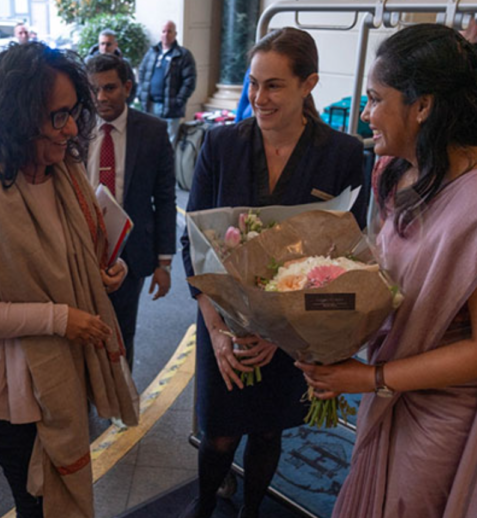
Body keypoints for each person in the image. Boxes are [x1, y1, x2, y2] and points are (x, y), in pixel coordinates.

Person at [297, 24, 477, 518]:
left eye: (375, 99)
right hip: (390, 380)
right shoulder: (395, 170)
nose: (365, 113)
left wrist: (371, 377)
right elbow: (387, 278)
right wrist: (312, 316)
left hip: (441, 411)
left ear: (422, 106)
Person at [0, 42, 139, 518]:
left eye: (73, 113)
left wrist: (108, 270)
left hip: (63, 371)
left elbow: (81, 252)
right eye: (56, 116)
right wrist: (59, 319)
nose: (70, 129)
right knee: (38, 503)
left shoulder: (62, 172)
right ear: (16, 117)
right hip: (10, 395)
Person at [180, 27, 366, 518]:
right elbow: (194, 246)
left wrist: (282, 334)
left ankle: (252, 511)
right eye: (252, 83)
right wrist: (218, 333)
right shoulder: (220, 145)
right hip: (225, 325)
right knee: (218, 435)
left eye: (274, 85)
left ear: (309, 84)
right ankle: (203, 508)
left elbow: (349, 266)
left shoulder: (343, 155)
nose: (258, 98)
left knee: (268, 429)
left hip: (293, 330)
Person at [84, 54, 176, 369]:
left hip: (131, 250)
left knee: (122, 331)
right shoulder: (76, 129)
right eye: (94, 89)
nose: (100, 98)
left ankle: (119, 398)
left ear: (127, 87)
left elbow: (165, 198)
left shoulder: (153, 131)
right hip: (80, 247)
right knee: (83, 328)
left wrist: (164, 263)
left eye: (109, 88)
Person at [137, 20, 197, 140]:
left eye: (169, 31)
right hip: (150, 106)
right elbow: (142, 73)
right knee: (149, 141)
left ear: (175, 34)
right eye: (163, 31)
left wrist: (178, 100)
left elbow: (189, 81)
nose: (166, 34)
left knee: (169, 142)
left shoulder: (183, 55)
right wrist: (140, 93)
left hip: (171, 107)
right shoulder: (152, 52)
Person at [85, 29, 137, 105]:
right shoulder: (88, 63)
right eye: (102, 44)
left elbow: (132, 89)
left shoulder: (124, 64)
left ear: (115, 45)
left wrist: (122, 105)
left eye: (108, 44)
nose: (105, 48)